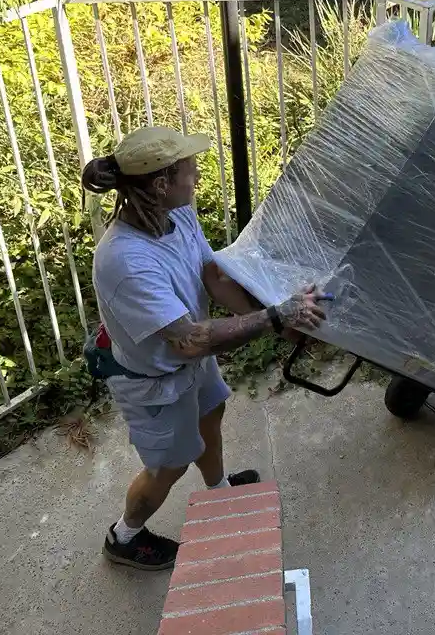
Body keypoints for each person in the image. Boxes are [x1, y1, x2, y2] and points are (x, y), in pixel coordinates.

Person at [81, 125, 326, 572]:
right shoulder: (125, 262)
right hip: (155, 380)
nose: (197, 176)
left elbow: (212, 278)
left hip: (189, 362)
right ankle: (125, 536)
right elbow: (190, 340)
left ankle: (218, 492)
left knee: (212, 412)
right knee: (167, 467)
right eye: (189, 170)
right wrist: (275, 317)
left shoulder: (176, 215)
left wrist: (276, 317)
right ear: (160, 185)